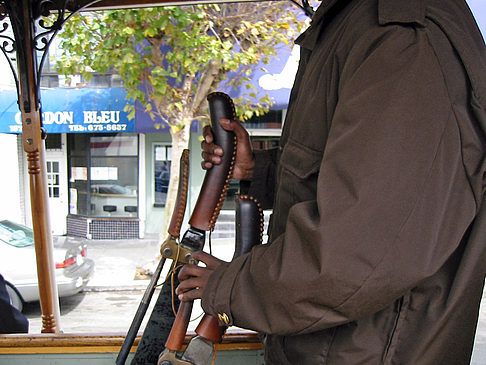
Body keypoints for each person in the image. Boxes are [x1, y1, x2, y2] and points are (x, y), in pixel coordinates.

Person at [176, 0, 486, 363]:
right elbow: (354, 175)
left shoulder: (403, 37)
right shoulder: (355, 21)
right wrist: (254, 171)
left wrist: (229, 286)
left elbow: (358, 252)